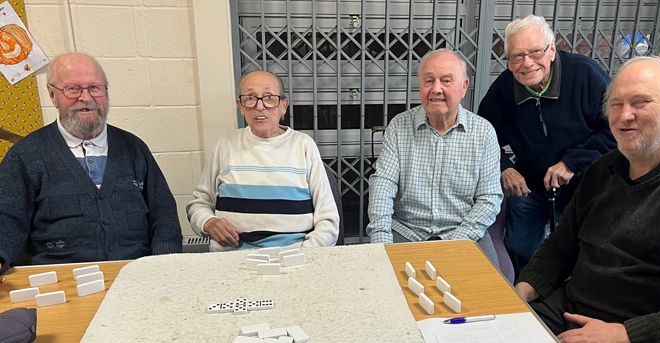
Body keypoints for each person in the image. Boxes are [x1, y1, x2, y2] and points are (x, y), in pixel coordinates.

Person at [515, 56, 660, 343]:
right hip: (568, 310)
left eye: (640, 102)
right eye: (616, 104)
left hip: (639, 331)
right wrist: (518, 292)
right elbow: (561, 246)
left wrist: (624, 334)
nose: (625, 115)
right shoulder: (602, 170)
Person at [0, 53, 182, 275]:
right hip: (60, 280)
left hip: (137, 275)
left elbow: (164, 215)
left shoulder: (134, 148)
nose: (86, 98)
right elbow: (7, 219)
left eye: (95, 88)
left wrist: (165, 265)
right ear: (52, 94)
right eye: (73, 89)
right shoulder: (25, 156)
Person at [478, 14, 616, 275]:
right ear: (508, 61)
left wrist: (571, 163)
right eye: (516, 56)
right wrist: (504, 167)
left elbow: (615, 132)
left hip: (588, 184)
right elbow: (482, 137)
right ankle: (527, 301)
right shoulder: (504, 90)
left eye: (535, 52)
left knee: (585, 252)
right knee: (518, 248)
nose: (527, 63)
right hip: (532, 186)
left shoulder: (585, 75)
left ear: (552, 50)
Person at [367, 49, 503, 266]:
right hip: (407, 230)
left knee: (487, 292)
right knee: (390, 289)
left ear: (464, 87)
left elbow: (489, 198)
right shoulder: (399, 126)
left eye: (446, 81)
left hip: (464, 231)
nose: (436, 89)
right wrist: (382, 240)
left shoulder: (484, 132)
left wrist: (455, 243)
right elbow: (383, 185)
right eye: (428, 80)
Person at [186, 70, 339, 251]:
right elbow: (199, 205)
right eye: (250, 98)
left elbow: (328, 221)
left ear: (284, 105)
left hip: (296, 258)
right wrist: (209, 223)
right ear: (240, 106)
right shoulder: (224, 145)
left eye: (269, 97)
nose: (260, 107)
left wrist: (303, 254)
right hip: (232, 259)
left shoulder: (304, 146)